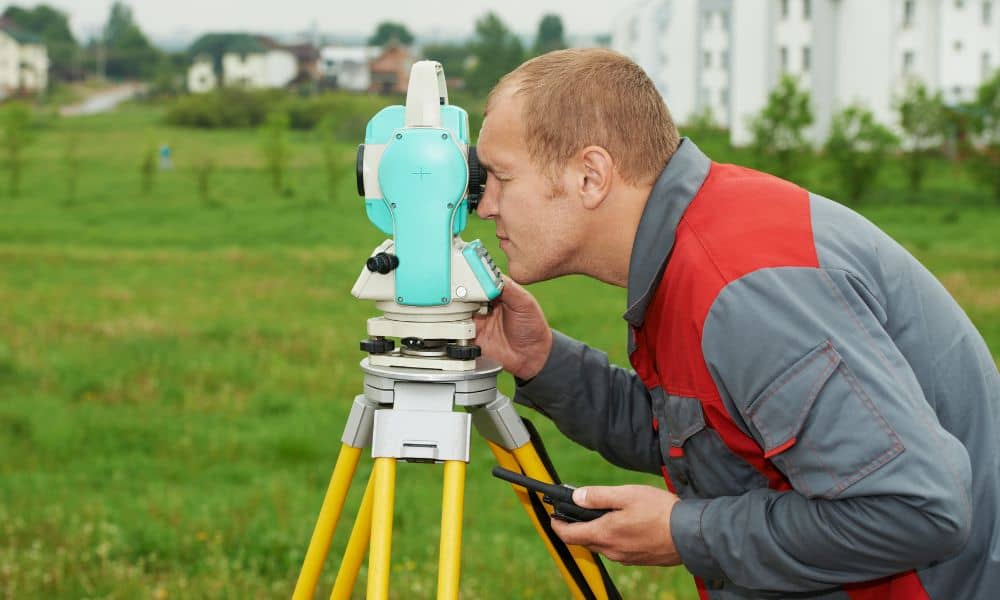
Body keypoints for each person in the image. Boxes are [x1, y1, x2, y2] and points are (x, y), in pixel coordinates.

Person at [472, 48, 999, 599]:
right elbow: (712, 441)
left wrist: (685, 533)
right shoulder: (690, 245)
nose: (486, 205)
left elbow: (916, 509)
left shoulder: (743, 287)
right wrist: (543, 360)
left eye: (502, 177)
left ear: (590, 175)